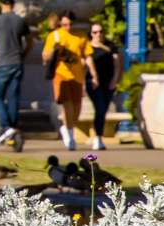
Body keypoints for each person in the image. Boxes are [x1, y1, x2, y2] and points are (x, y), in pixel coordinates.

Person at [0, 0, 29, 153]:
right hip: (17, 62)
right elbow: (29, 42)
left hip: (2, 63)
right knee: (13, 96)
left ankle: (5, 124)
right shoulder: (20, 20)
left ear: (1, 4)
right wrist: (23, 55)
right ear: (13, 4)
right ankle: (13, 125)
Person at [43, 13, 89, 150]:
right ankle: (70, 137)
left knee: (77, 109)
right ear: (60, 24)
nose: (67, 27)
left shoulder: (80, 36)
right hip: (60, 74)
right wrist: (54, 50)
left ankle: (67, 128)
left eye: (70, 24)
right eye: (64, 24)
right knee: (67, 105)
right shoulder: (54, 36)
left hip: (77, 76)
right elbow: (45, 56)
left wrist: (86, 64)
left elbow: (87, 55)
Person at [84, 22, 121, 151]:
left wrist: (114, 80)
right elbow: (85, 64)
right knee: (99, 107)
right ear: (91, 34)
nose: (98, 34)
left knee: (103, 110)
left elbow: (117, 64)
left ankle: (99, 137)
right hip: (93, 83)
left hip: (108, 82)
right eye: (95, 32)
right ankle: (98, 138)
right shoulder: (87, 46)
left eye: (100, 31)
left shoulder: (110, 46)